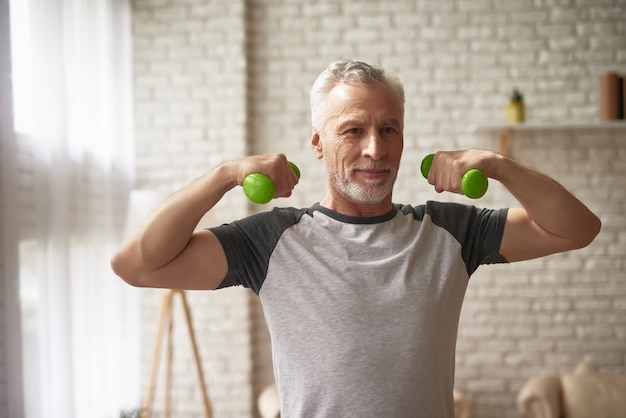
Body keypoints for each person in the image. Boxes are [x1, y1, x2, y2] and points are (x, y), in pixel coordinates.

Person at [111, 59, 601, 417]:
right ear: (318, 143)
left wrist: (498, 165)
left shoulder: (451, 232)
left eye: (389, 129)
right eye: (353, 130)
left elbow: (578, 229)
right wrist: (224, 175)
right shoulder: (271, 240)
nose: (375, 148)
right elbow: (136, 265)